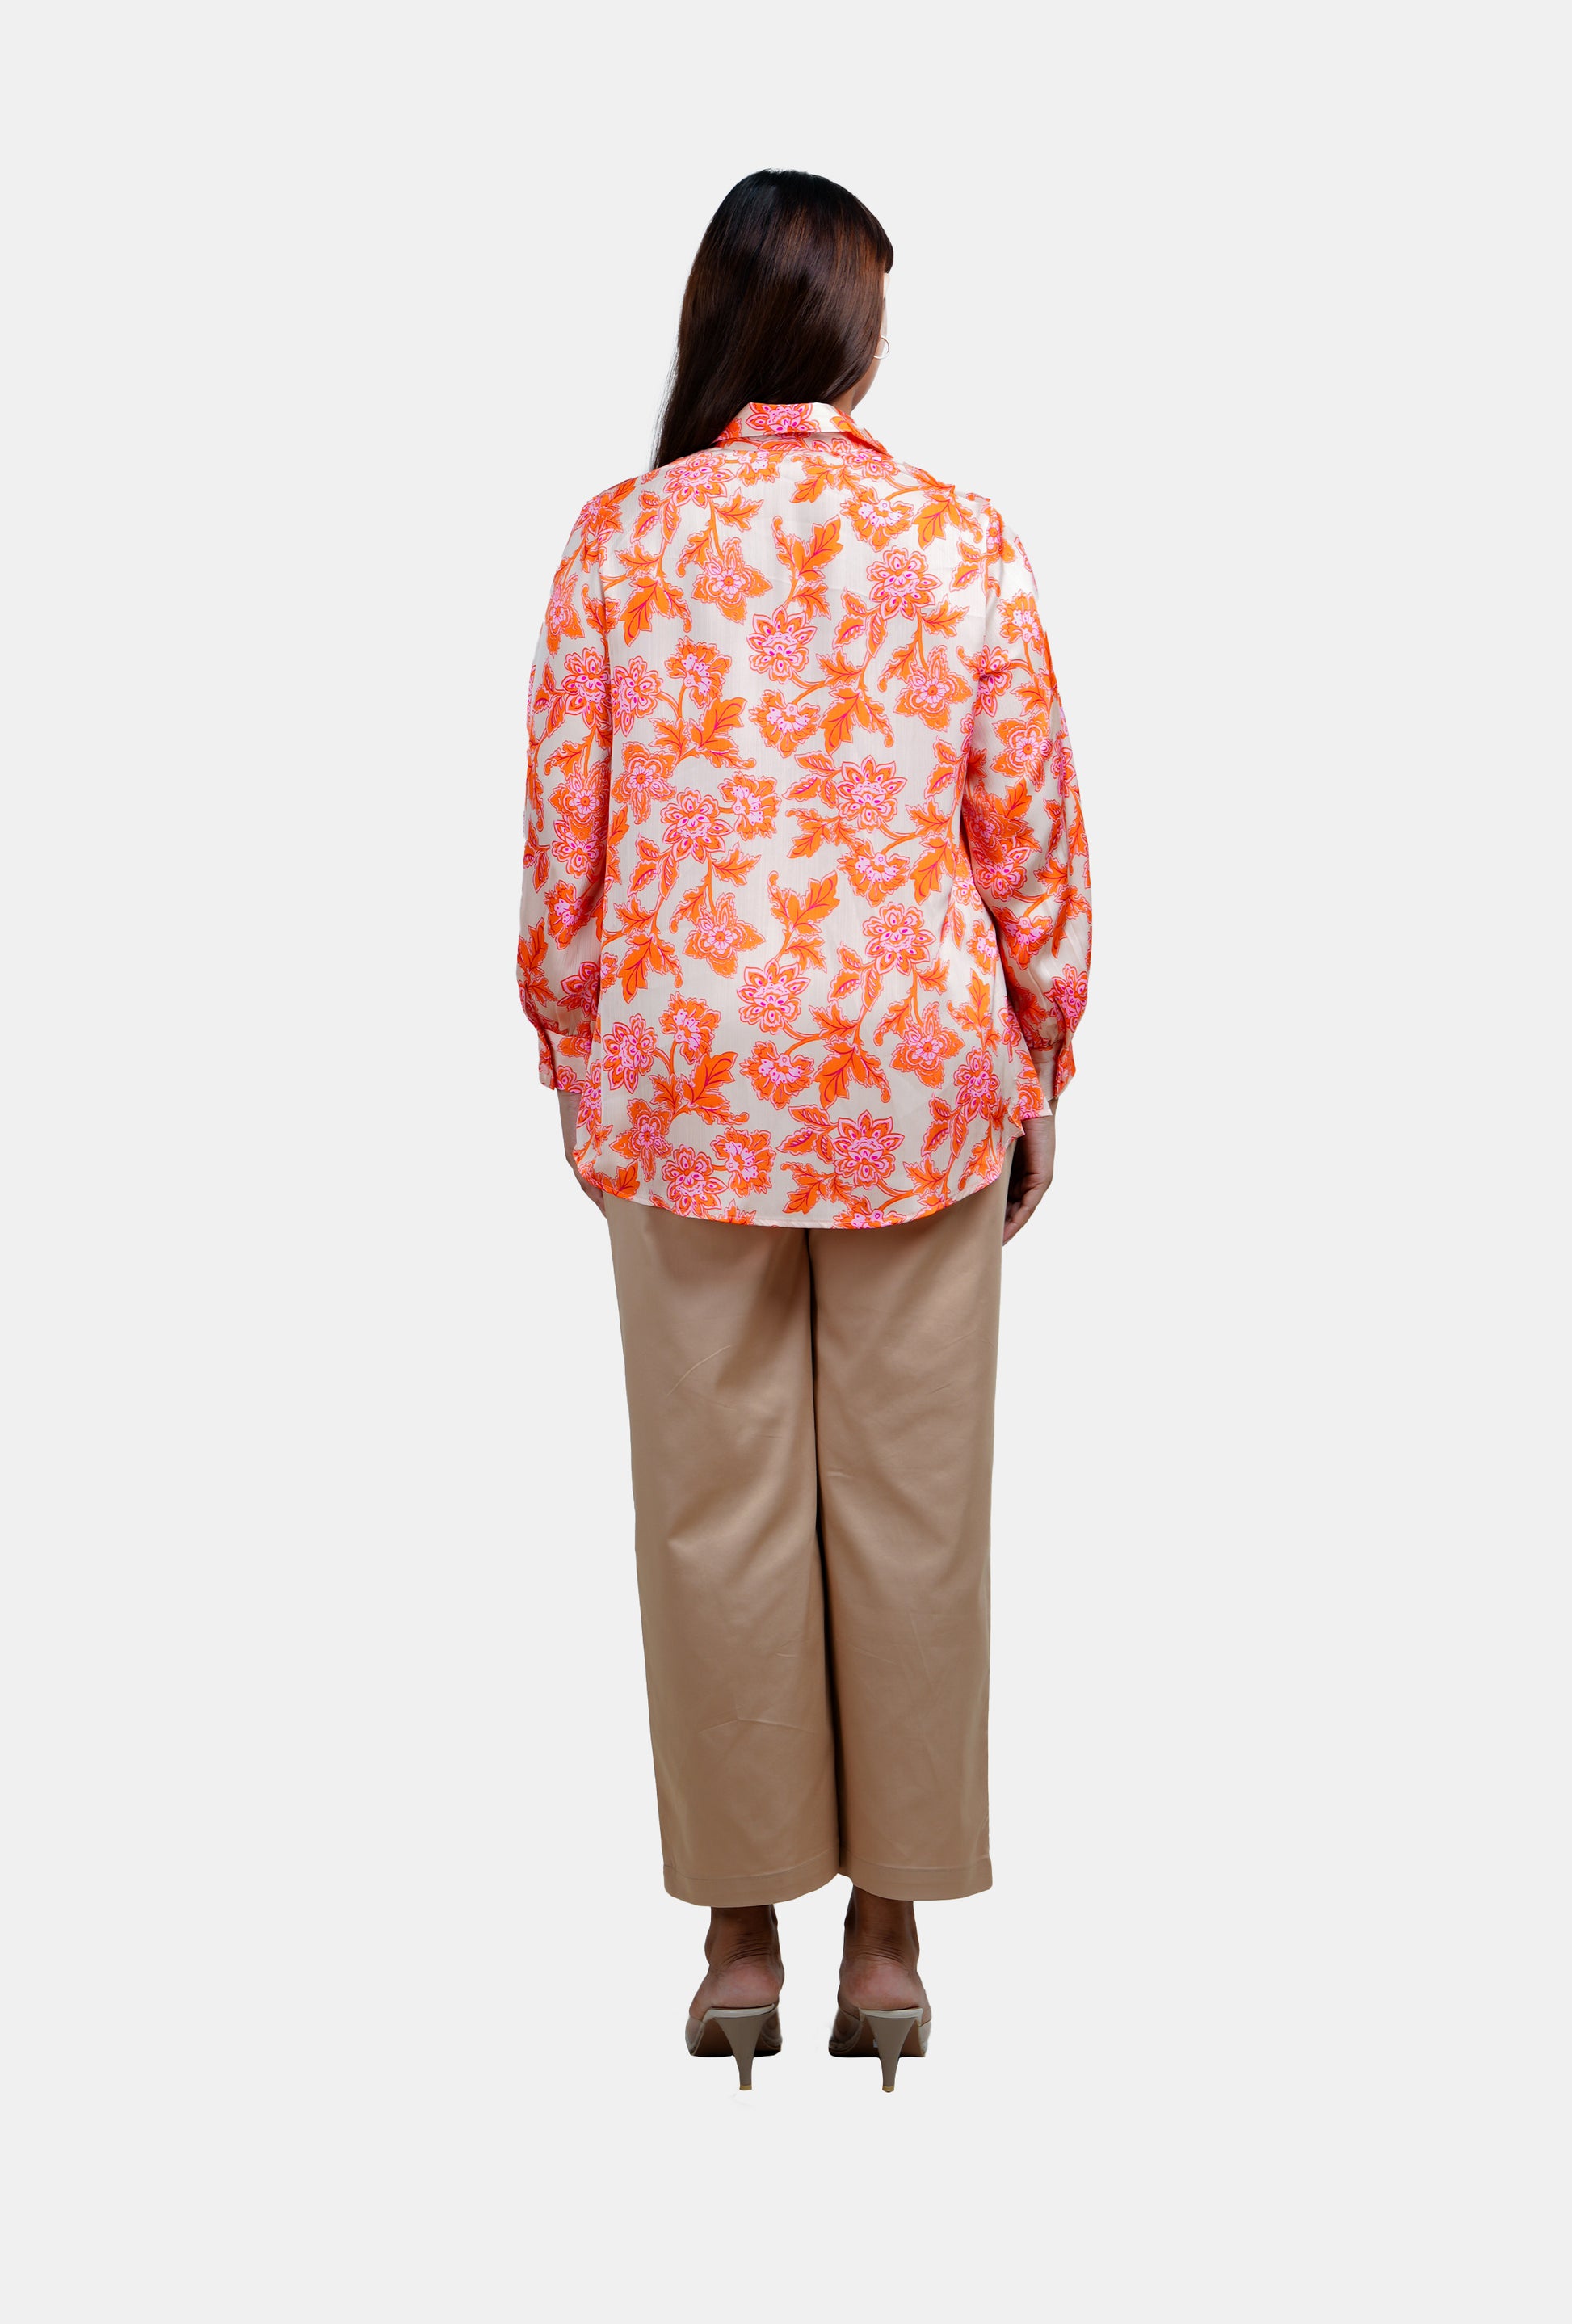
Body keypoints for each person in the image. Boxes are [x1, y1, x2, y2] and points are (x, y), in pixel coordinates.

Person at [517, 169, 1091, 2091]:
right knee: (912, 1506)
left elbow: (565, 837)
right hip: (915, 1078)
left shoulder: (619, 544)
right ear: (848, 334)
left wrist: (575, 1052)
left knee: (717, 1508)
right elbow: (1027, 832)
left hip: (686, 1081)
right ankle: (893, 1939)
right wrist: (1041, 1054)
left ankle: (740, 1939)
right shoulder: (955, 536)